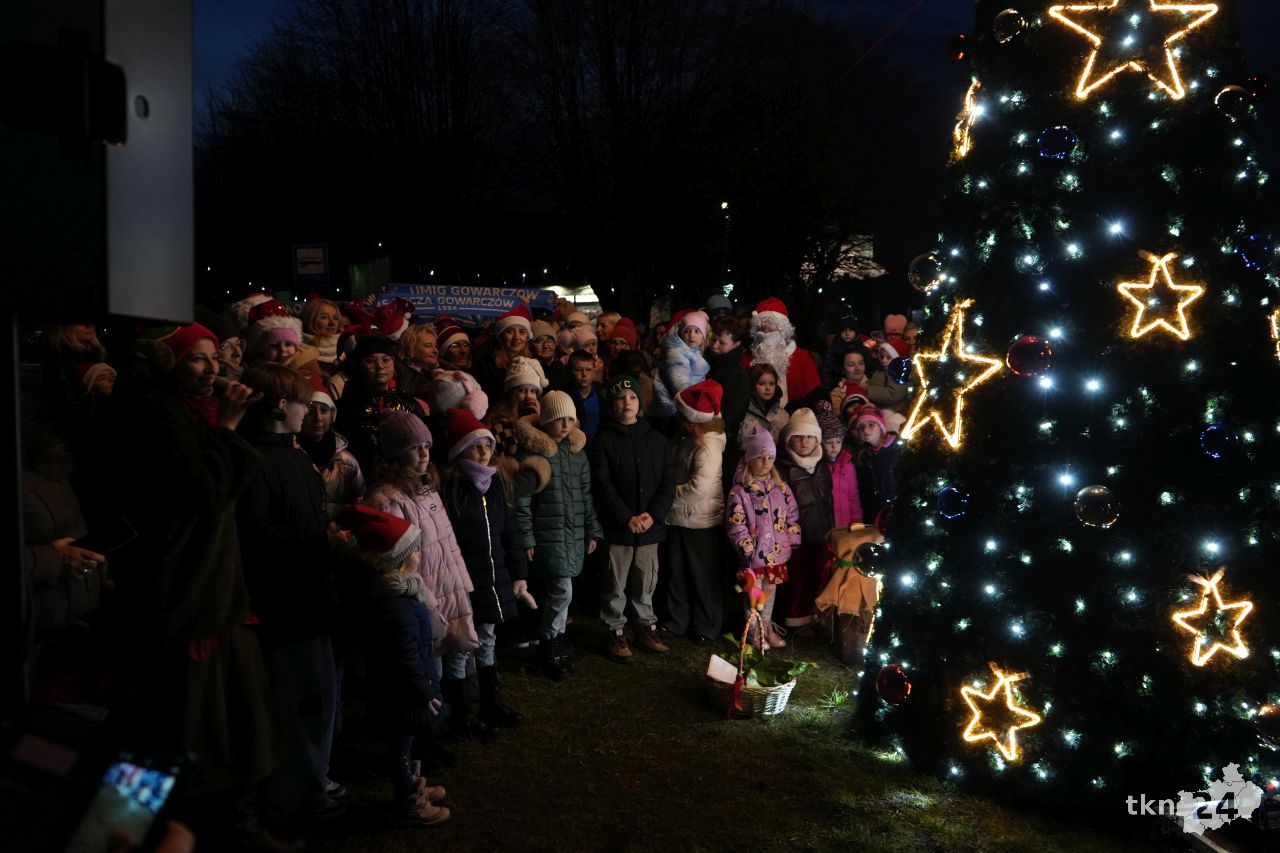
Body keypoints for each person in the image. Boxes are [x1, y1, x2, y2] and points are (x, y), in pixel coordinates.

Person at [104, 323, 281, 848]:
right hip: (180, 599)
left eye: (215, 358)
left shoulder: (192, 415)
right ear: (170, 364)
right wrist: (226, 425)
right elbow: (204, 492)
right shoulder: (156, 416)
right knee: (162, 734)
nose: (212, 369)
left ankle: (226, 829)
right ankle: (126, 834)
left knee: (235, 726)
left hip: (216, 595)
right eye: (199, 359)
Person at [235, 363, 343, 829]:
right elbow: (256, 536)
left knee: (319, 699)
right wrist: (321, 540)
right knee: (300, 704)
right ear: (282, 406)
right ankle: (290, 800)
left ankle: (311, 783)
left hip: (311, 597)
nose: (310, 412)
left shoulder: (295, 458)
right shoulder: (256, 461)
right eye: (304, 403)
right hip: (287, 604)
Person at [332, 505, 451, 826]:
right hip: (401, 692)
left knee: (407, 742)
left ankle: (413, 784)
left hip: (403, 687)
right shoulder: (395, 605)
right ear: (397, 560)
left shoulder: (399, 591)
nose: (420, 555)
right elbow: (404, 657)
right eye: (414, 551)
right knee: (400, 746)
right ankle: (409, 800)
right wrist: (423, 690)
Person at [438, 408, 528, 732]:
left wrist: (519, 573)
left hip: (493, 578)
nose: (483, 452)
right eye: (475, 446)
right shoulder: (452, 489)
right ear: (460, 450)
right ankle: (460, 712)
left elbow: (511, 532)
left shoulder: (496, 484)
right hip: (465, 581)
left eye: (487, 445)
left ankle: (490, 702)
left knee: (487, 638)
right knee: (461, 645)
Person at [366, 412, 480, 666]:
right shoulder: (386, 499)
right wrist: (428, 604)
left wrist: (464, 585)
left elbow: (449, 542)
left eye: (426, 445)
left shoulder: (428, 489)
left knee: (456, 657)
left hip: (448, 588)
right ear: (396, 454)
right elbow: (401, 563)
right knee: (430, 664)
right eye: (414, 447)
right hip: (425, 598)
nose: (424, 453)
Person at [514, 391, 601, 680]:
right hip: (548, 536)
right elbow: (523, 501)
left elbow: (586, 495)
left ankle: (554, 644)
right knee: (562, 591)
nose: (565, 425)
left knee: (563, 592)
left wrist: (592, 529)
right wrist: (527, 537)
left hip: (572, 535)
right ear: (546, 421)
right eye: (558, 419)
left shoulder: (577, 454)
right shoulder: (533, 454)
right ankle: (548, 644)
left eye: (570, 419)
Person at [589, 374, 675, 662]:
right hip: (619, 527)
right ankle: (614, 628)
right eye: (621, 398)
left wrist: (654, 514)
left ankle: (645, 625)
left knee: (646, 580)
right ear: (612, 405)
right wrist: (625, 517)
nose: (627, 402)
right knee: (615, 581)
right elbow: (602, 485)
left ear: (641, 403)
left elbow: (668, 481)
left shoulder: (658, 440)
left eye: (633, 397)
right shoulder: (603, 441)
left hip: (649, 527)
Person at [661, 380, 726, 645]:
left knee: (703, 577)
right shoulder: (686, 438)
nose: (682, 422)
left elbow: (699, 488)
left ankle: (706, 626)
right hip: (680, 517)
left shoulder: (708, 446)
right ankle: (677, 620)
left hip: (700, 521)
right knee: (676, 573)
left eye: (687, 419)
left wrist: (666, 497)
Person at [725, 427, 801, 650]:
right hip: (754, 556)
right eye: (760, 457)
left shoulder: (781, 488)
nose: (765, 462)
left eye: (770, 458)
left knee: (770, 591)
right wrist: (747, 548)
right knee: (753, 593)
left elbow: (792, 514)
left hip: (776, 554)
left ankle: (766, 627)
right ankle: (753, 630)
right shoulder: (740, 491)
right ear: (750, 459)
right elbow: (736, 523)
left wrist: (791, 539)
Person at [334, 336, 430, 475]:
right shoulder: (345, 407)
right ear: (358, 366)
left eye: (386, 360)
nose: (380, 366)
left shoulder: (409, 404)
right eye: (370, 361)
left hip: (406, 478)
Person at [774, 408, 833, 632]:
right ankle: (794, 619)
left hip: (821, 532)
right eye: (798, 437)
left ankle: (813, 616)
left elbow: (828, 501)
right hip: (796, 537)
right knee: (796, 579)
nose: (804, 442)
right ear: (789, 439)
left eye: (810, 436)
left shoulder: (823, 466)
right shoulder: (784, 468)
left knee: (817, 575)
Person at [297, 374, 365, 520]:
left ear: (332, 415)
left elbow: (360, 502)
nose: (318, 417)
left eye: (324, 410)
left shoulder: (346, 461)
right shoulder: (291, 457)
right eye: (310, 411)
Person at [744, 298, 821, 403]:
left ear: (783, 328)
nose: (766, 330)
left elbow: (815, 393)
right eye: (761, 325)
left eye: (771, 324)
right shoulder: (747, 358)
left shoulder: (802, 357)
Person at [650, 311, 711, 421]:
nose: (691, 335)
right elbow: (680, 385)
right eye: (687, 331)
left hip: (680, 410)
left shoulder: (692, 352)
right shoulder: (677, 353)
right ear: (681, 334)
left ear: (704, 336)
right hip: (673, 413)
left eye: (697, 331)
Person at [852, 406, 901, 525]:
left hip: (896, 514)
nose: (865, 430)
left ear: (881, 427)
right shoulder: (863, 457)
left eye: (871, 425)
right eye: (861, 427)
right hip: (873, 517)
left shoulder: (896, 451)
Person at [816, 401, 861, 529]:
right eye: (828, 442)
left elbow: (853, 498)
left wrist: (857, 524)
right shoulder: (818, 467)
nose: (834, 446)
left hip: (846, 527)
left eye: (838, 441)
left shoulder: (848, 465)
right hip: (826, 528)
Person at [472, 306, 532, 398]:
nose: (516, 337)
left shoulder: (534, 364)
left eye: (522, 332)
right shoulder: (485, 366)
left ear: (527, 337)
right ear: (501, 335)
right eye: (510, 331)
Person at [737, 363, 788, 450]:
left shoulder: (783, 415)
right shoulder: (742, 412)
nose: (768, 388)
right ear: (753, 385)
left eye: (772, 383)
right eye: (761, 384)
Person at [564, 349, 604, 439]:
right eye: (578, 370)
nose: (584, 374)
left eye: (588, 370)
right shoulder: (563, 397)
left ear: (594, 372)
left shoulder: (602, 394)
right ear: (569, 372)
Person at [301, 298, 344, 372]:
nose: (332, 323)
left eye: (335, 318)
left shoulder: (346, 348)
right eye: (324, 317)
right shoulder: (297, 351)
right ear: (310, 319)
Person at [866, 341, 910, 413]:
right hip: (878, 409)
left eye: (888, 357)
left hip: (892, 411)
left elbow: (894, 395)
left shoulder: (897, 374)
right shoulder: (880, 371)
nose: (883, 360)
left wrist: (868, 389)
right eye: (882, 357)